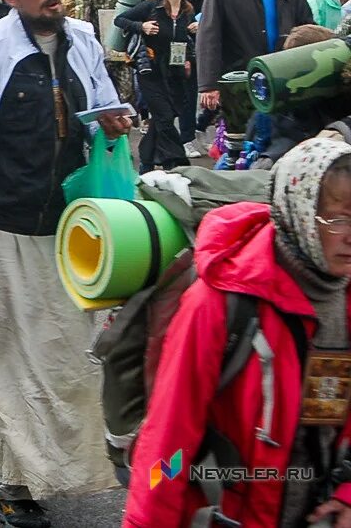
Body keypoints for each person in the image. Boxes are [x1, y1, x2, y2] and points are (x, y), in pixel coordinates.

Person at [0, 0, 131, 527]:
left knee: (67, 355)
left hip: (71, 231)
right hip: (1, 230)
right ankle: (13, 483)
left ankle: (60, 468)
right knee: (8, 362)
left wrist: (114, 116)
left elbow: (100, 106)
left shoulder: (85, 42)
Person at [125, 139, 351, 527]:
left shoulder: (344, 297)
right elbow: (168, 443)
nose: (350, 235)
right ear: (298, 211)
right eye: (337, 219)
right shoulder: (218, 304)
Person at [197, 0, 313, 119]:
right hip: (239, 83)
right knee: (239, 143)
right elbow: (209, 36)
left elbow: (309, 35)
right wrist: (208, 84)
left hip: (282, 83)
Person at [115, 0, 197, 172]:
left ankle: (146, 161)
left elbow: (182, 40)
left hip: (175, 72)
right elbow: (120, 19)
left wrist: (192, 36)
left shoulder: (187, 10)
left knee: (167, 115)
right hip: (150, 70)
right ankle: (177, 163)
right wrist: (141, 26)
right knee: (164, 117)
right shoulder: (152, 6)